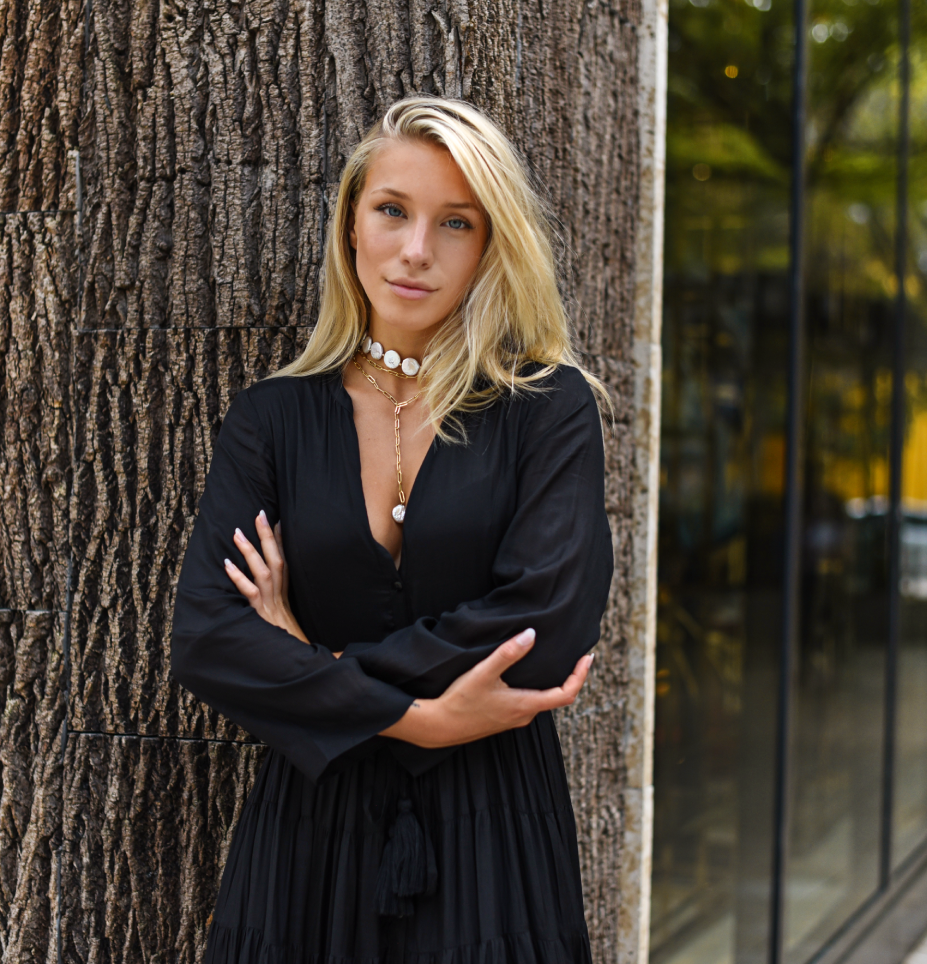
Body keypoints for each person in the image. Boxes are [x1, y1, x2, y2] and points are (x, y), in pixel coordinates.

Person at [170, 96, 614, 964]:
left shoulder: (547, 407)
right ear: (351, 227)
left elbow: (547, 627)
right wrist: (420, 718)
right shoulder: (271, 421)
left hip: (495, 831)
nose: (417, 250)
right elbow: (209, 639)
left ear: (492, 245)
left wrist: (315, 665)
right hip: (309, 832)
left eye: (456, 222)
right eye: (393, 211)